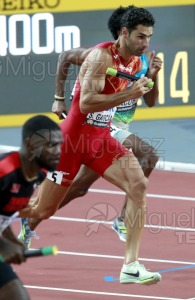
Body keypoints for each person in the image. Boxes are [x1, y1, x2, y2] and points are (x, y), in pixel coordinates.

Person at [18, 6, 162, 285]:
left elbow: (147, 96)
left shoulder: (136, 61)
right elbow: (85, 104)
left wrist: (148, 79)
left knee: (138, 185)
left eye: (149, 37)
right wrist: (60, 96)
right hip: (73, 142)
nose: (146, 43)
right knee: (43, 210)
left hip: (100, 139)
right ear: (124, 33)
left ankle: (130, 266)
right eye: (141, 37)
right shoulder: (98, 56)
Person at [0, 115, 62, 300]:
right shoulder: (4, 171)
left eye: (60, 144)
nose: (58, 151)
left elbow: (3, 215)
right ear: (30, 145)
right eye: (51, 145)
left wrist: (12, 240)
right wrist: (3, 245)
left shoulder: (38, 176)